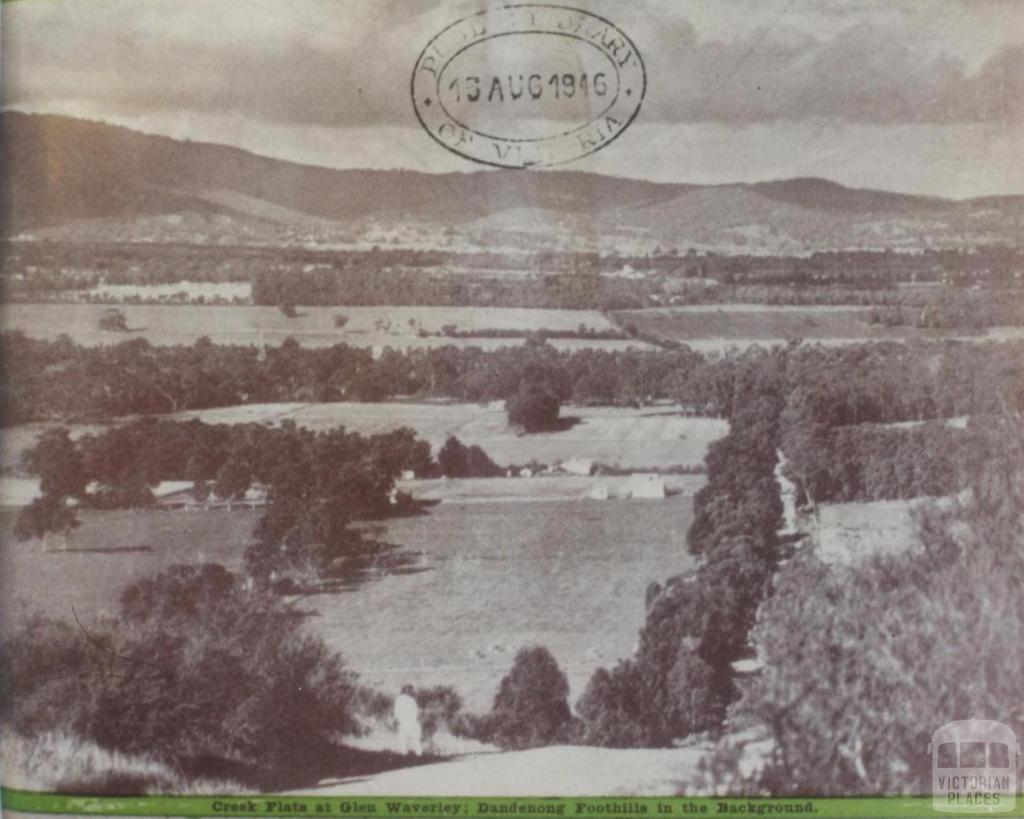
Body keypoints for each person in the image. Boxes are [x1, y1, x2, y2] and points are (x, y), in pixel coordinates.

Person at [393, 685, 423, 756]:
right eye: (410, 690)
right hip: (410, 722)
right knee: (415, 739)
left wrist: (397, 720)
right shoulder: (410, 700)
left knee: (403, 740)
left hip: (405, 722)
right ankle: (418, 754)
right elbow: (416, 712)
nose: (411, 691)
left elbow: (396, 712)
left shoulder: (400, 699)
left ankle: (405, 755)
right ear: (406, 690)